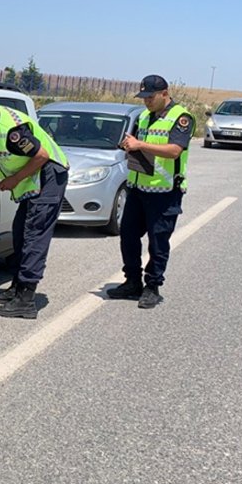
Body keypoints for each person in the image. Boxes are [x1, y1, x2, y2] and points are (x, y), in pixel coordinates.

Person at [0, 91, 69, 320]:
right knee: (20, 233)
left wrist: (13, 180)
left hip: (48, 177)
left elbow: (41, 156)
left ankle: (26, 300)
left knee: (34, 237)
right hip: (33, 181)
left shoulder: (11, 132)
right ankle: (17, 288)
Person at [105, 74, 194, 309]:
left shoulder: (181, 117)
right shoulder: (144, 116)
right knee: (128, 236)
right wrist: (129, 145)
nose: (146, 101)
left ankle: (152, 286)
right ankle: (132, 281)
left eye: (150, 97)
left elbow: (174, 150)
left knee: (158, 241)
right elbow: (138, 143)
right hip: (138, 187)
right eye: (143, 97)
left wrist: (140, 145)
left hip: (164, 192)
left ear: (165, 94)